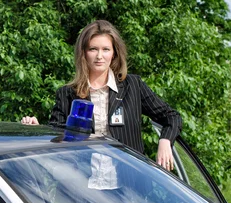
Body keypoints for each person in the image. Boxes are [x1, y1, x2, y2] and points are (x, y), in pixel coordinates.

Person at [21, 20, 181, 171]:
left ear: (114, 53)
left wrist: (165, 141)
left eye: (106, 49)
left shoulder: (133, 85)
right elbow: (57, 136)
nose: (99, 56)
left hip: (130, 185)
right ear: (83, 53)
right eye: (93, 49)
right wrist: (38, 130)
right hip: (84, 184)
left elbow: (171, 116)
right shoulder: (67, 93)